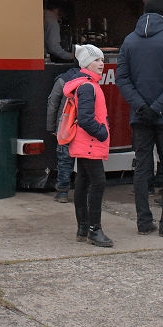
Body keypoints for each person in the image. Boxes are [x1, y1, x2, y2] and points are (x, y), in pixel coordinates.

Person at [116, 0, 163, 237]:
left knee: (142, 168)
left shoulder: (129, 40)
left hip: (140, 118)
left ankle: (143, 221)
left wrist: (141, 107)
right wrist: (158, 107)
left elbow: (122, 79)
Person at [64, 43, 113, 247]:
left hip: (83, 143)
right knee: (98, 182)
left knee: (83, 183)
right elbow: (85, 119)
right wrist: (103, 132)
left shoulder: (85, 84)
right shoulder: (87, 86)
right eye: (96, 60)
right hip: (90, 143)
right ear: (86, 63)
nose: (101, 63)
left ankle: (83, 228)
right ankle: (95, 229)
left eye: (102, 59)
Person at [46, 66, 81, 202]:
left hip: (65, 127)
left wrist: (52, 128)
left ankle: (62, 193)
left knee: (65, 161)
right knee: (85, 161)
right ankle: (84, 192)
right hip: (83, 127)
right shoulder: (91, 81)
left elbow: (52, 104)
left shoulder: (62, 80)